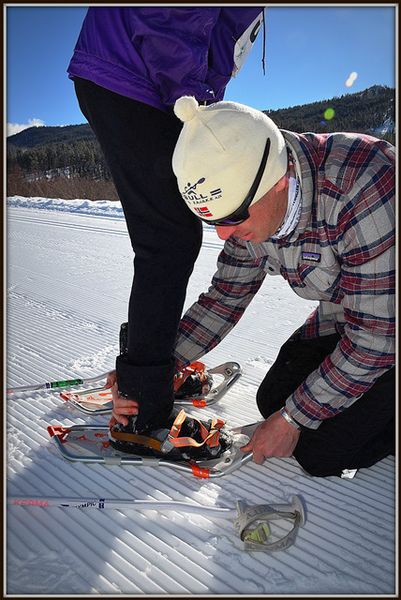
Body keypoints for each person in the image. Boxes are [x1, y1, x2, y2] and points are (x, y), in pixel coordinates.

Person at [150, 95, 393, 478]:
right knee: (272, 399)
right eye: (211, 219)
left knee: (319, 450)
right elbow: (224, 298)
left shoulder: (365, 183)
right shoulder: (248, 192)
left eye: (232, 216)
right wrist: (158, 366)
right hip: (348, 316)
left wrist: (294, 419)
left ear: (279, 181)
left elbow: (377, 339)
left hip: (386, 327)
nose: (224, 233)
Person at [67, 7, 265, 455]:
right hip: (139, 79)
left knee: (171, 235)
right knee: (169, 238)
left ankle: (149, 369)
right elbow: (170, 16)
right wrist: (189, 97)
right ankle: (143, 411)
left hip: (144, 81)